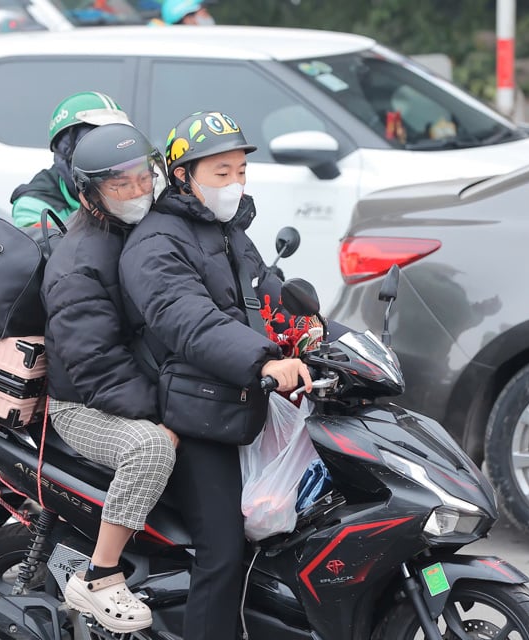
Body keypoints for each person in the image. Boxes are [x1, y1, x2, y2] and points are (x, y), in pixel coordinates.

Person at [119, 110, 312, 640]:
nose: (235, 183)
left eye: (241, 171)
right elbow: (188, 320)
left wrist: (328, 336)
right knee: (224, 550)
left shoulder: (226, 230)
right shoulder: (157, 243)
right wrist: (264, 360)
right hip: (195, 411)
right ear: (183, 176)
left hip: (239, 396)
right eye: (221, 173)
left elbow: (269, 291)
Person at [41, 122, 176, 634]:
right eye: (121, 185)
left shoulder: (140, 228)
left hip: (135, 382)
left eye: (144, 177)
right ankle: (99, 575)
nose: (139, 191)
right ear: (90, 192)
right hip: (84, 405)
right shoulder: (80, 263)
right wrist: (165, 413)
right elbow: (97, 366)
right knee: (151, 448)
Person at [10, 91, 131, 228]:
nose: (112, 157)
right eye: (98, 146)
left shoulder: (141, 182)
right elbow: (47, 246)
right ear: (68, 152)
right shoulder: (35, 205)